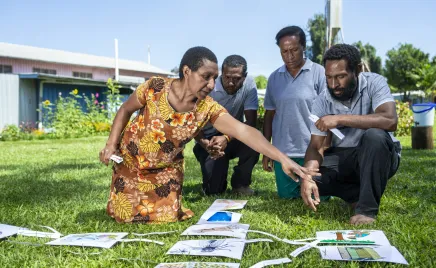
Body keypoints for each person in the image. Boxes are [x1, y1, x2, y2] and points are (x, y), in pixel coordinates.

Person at [99, 46, 319, 224]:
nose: (212, 84)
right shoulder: (154, 87)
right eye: (206, 77)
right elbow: (125, 109)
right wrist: (111, 144)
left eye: (214, 78)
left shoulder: (207, 107)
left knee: (165, 218)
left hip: (165, 171)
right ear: (187, 71)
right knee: (123, 215)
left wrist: (282, 158)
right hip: (131, 162)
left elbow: (244, 131)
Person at [301, 44, 401, 225]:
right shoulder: (321, 100)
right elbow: (315, 146)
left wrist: (339, 119)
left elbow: (390, 120)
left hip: (379, 155)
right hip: (346, 158)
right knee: (310, 175)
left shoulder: (375, 83)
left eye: (341, 76)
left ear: (358, 70)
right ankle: (355, 195)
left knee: (375, 136)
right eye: (329, 77)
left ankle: (366, 210)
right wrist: (307, 177)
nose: (333, 84)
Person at [262, 26, 328, 199]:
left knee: (320, 197)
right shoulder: (274, 78)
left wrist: (325, 148)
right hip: (284, 153)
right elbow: (269, 116)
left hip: (314, 151)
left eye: (294, 50)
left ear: (303, 47)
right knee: (287, 198)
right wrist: (267, 151)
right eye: (284, 51)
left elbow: (328, 116)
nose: (289, 56)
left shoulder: (320, 73)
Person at [193, 55, 259, 196]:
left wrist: (227, 138)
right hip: (209, 139)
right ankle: (203, 158)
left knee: (254, 139)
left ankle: (240, 184)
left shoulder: (249, 85)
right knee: (214, 191)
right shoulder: (208, 87)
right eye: (227, 77)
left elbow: (251, 122)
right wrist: (205, 143)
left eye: (236, 79)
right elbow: (192, 122)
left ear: (244, 76)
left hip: (234, 136)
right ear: (221, 74)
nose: (230, 83)